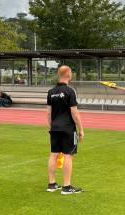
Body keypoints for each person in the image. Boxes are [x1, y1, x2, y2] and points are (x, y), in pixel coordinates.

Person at [46, 65, 84, 195]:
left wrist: (50, 127)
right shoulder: (70, 91)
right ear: (68, 74)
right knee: (68, 155)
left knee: (53, 154)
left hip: (55, 127)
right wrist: (81, 129)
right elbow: (74, 112)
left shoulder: (51, 92)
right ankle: (66, 187)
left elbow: (48, 113)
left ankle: (51, 184)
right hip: (68, 128)